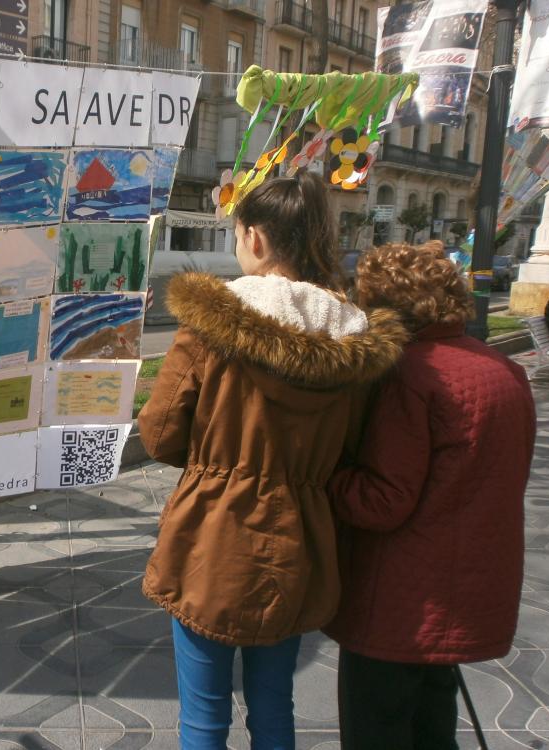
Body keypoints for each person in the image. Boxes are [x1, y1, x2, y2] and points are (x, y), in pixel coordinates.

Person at [137, 171, 409, 749]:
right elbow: (353, 447)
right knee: (274, 707)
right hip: (300, 541)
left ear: (255, 238)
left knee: (203, 718)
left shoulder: (209, 323)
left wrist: (214, 458)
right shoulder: (353, 342)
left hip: (209, 535)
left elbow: (159, 434)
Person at [325, 241, 536, 750]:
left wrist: (324, 476)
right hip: (465, 588)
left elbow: (382, 501)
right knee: (434, 723)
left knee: (378, 727)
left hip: (401, 601)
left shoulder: (410, 374)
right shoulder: (503, 369)